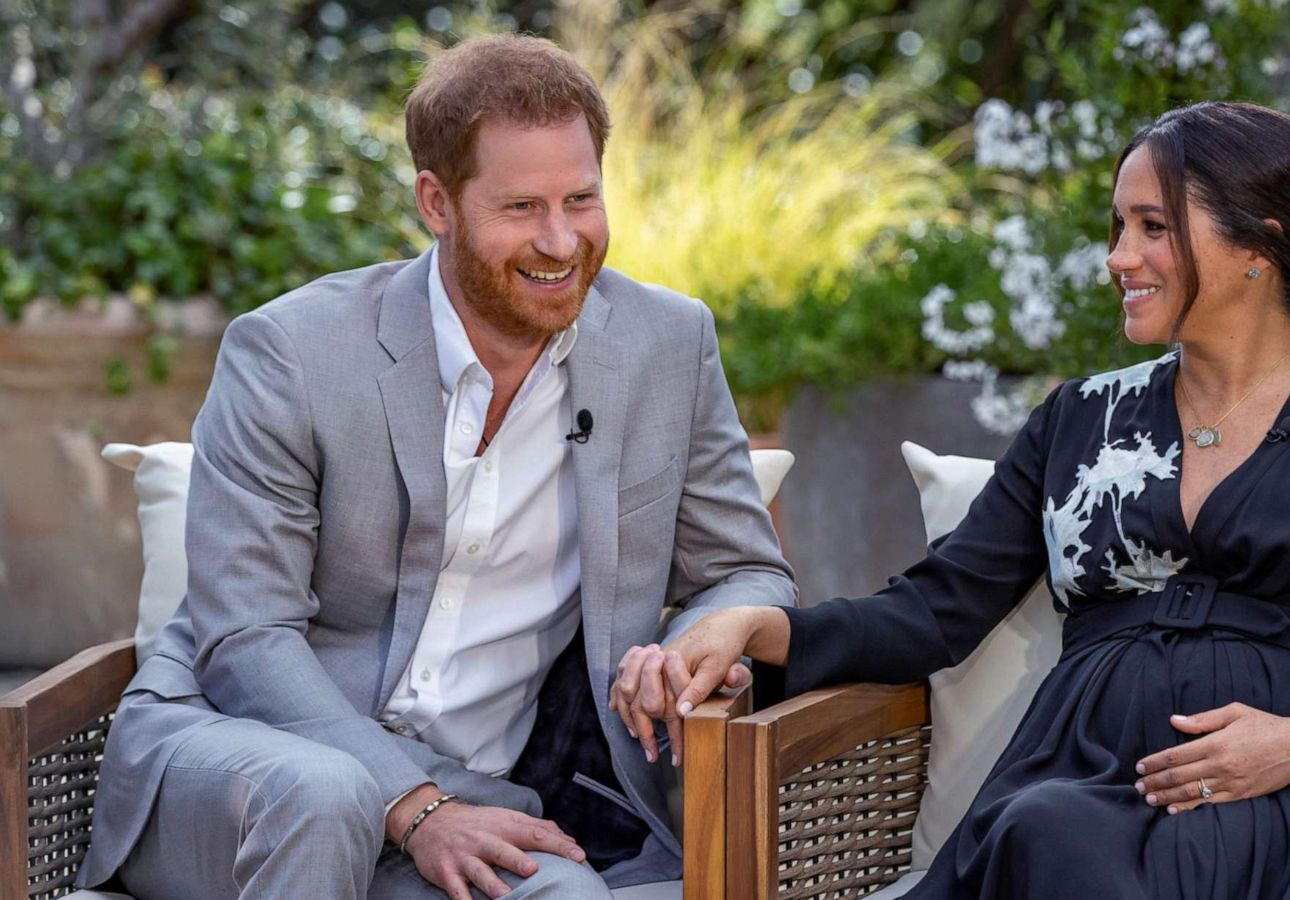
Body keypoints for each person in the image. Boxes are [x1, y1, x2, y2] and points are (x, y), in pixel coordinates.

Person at [645, 101, 1290, 898]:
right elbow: (933, 612)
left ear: (1260, 242)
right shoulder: (1081, 419)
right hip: (1072, 779)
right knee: (1044, 833)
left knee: (1049, 843)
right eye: (1118, 227)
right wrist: (757, 629)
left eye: (1152, 227)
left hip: (1284, 797)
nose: (1118, 257)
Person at [75, 34, 795, 900]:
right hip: (242, 766)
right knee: (328, 793)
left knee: (570, 895)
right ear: (436, 202)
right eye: (522, 207)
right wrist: (412, 804)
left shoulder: (667, 346)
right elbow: (244, 638)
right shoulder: (291, 353)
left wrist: (697, 636)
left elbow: (745, 570)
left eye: (581, 198)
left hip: (479, 794)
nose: (562, 241)